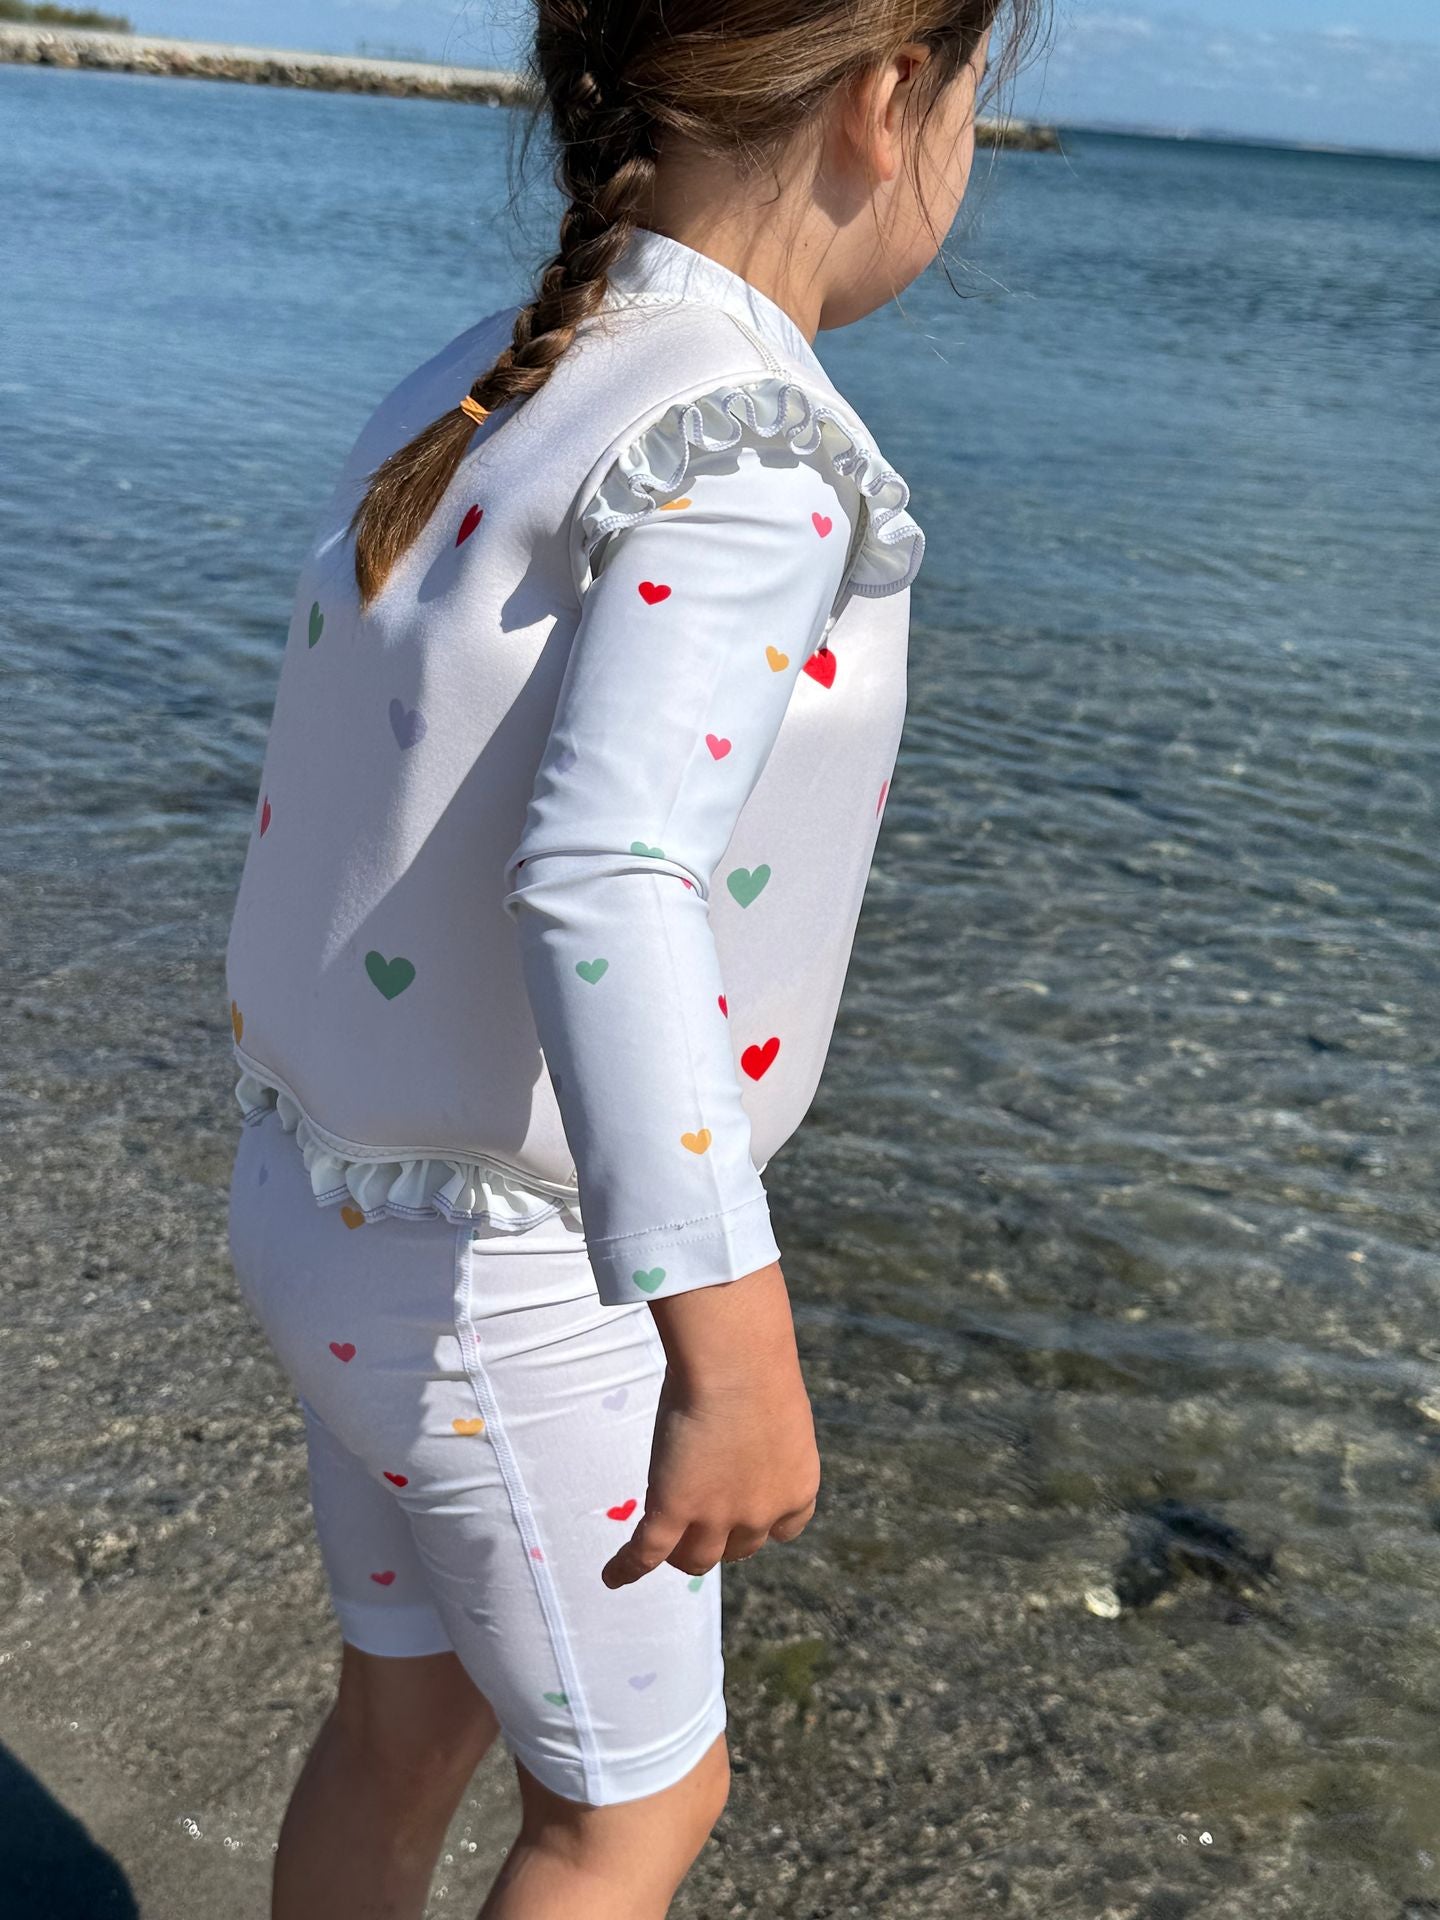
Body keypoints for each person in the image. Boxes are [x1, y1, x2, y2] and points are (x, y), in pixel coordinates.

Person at [224, 2, 1043, 1913]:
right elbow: (607, 871)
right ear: (885, 100)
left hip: (318, 1199)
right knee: (629, 1816)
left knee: (403, 1727)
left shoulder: (497, 375)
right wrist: (730, 1339)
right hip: (508, 1274)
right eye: (973, 103)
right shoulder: (751, 447)